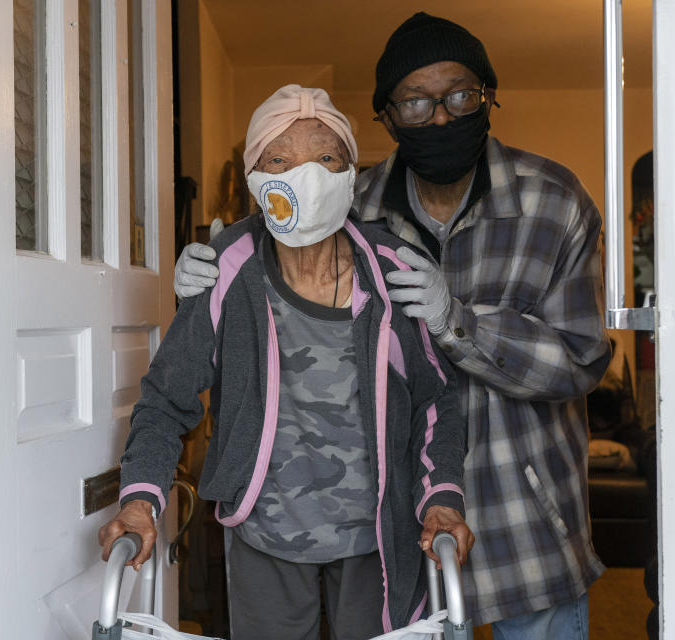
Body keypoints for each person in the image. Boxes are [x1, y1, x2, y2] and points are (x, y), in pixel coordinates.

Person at [173, 13, 611, 640]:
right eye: (414, 101)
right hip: (397, 534)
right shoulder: (350, 204)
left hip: (526, 520)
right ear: (386, 115)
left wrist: (456, 322)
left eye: (459, 95)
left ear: (488, 95)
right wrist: (205, 272)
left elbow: (581, 359)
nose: (438, 116)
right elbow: (271, 240)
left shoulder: (554, 201)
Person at [100, 84, 473, 640]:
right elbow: (166, 398)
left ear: (351, 173)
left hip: (379, 535)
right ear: (254, 178)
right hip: (264, 534)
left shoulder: (393, 269)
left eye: (327, 158)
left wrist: (441, 496)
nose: (307, 176)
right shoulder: (227, 269)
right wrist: (140, 501)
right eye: (280, 160)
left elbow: (436, 398)